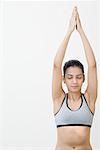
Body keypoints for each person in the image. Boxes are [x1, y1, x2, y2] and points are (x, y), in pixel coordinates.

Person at [52, 6, 98, 150]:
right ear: (63, 79)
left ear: (83, 78)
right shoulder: (58, 99)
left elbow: (92, 66)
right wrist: (69, 32)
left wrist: (81, 31)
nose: (74, 81)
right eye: (70, 77)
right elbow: (56, 65)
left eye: (78, 77)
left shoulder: (89, 99)